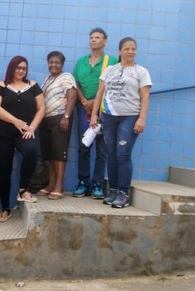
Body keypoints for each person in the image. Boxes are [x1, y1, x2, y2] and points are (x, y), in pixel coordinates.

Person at [90, 37, 152, 209]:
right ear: (120, 51)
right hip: (108, 117)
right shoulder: (110, 70)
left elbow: (145, 97)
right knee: (111, 154)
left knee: (123, 154)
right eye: (127, 49)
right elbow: (100, 93)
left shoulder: (141, 71)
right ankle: (113, 191)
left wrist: (142, 118)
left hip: (129, 117)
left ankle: (123, 193)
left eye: (133, 49)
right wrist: (94, 114)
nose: (130, 52)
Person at [0, 56, 46, 222]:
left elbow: (42, 108)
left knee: (31, 151)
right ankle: (5, 208)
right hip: (3, 133)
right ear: (11, 68)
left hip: (25, 132)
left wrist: (32, 127)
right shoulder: (1, 86)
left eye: (24, 68)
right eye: (18, 67)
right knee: (3, 169)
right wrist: (16, 121)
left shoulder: (33, 85)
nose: (21, 70)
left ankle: (23, 188)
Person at [72, 27, 119, 199]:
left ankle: (97, 184)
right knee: (84, 145)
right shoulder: (81, 62)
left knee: (102, 148)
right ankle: (83, 183)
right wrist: (84, 101)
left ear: (105, 41)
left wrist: (96, 102)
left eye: (97, 37)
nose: (93, 40)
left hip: (104, 110)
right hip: (83, 109)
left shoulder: (112, 61)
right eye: (91, 37)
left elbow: (115, 85)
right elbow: (75, 83)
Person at [37, 52, 77, 200]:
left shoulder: (66, 77)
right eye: (51, 62)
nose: (53, 65)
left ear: (62, 64)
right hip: (46, 120)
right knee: (50, 155)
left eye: (57, 62)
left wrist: (66, 117)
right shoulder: (47, 80)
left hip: (60, 118)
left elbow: (72, 96)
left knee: (59, 154)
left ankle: (59, 187)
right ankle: (51, 185)